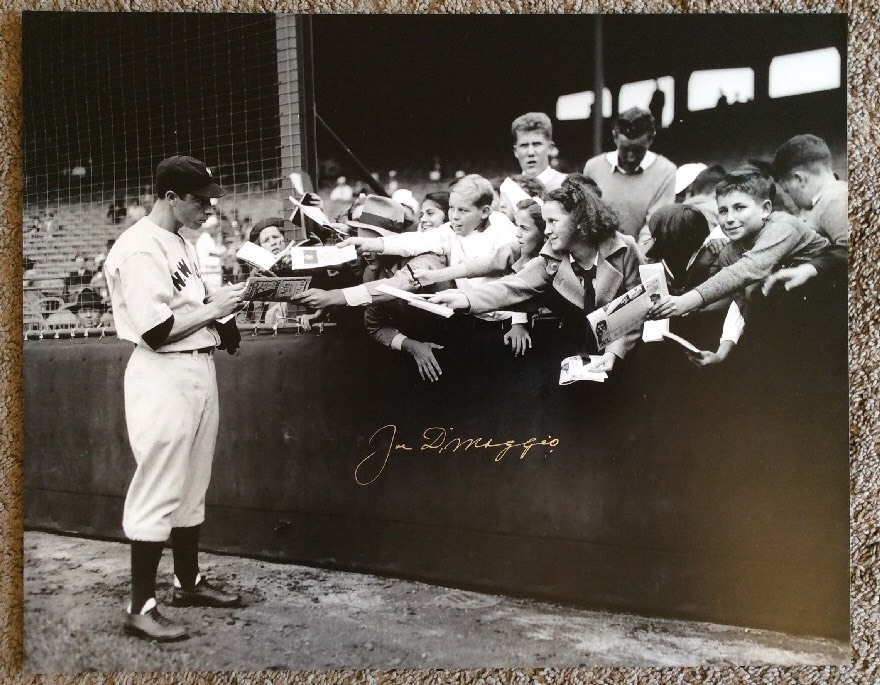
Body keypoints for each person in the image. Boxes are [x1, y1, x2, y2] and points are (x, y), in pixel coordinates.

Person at [103, 155, 246, 642]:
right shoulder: (141, 248)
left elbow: (189, 308)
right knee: (159, 484)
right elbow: (156, 331)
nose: (209, 206)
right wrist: (215, 309)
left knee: (193, 483)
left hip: (196, 367)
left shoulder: (180, 241)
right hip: (162, 373)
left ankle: (188, 582)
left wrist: (222, 323)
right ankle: (140, 606)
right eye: (199, 199)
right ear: (170, 197)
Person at [430, 175, 644, 373]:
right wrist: (465, 298)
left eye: (553, 221)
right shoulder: (551, 258)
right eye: (545, 221)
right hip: (574, 356)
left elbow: (636, 308)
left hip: (623, 356)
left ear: (580, 222)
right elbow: (511, 286)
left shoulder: (625, 249)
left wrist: (614, 353)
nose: (547, 230)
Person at [647, 167, 830, 366]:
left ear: (765, 209)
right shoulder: (730, 252)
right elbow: (741, 302)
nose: (729, 218)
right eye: (723, 211)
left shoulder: (783, 226)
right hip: (798, 320)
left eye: (739, 207)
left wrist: (685, 301)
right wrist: (721, 352)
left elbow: (748, 269)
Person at [413, 197, 548, 356]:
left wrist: (518, 322)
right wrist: (434, 276)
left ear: (544, 233)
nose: (517, 233)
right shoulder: (519, 248)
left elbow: (513, 287)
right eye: (517, 226)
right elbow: (481, 265)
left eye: (524, 228)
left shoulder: (546, 261)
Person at [763, 134, 848, 294]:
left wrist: (810, 268)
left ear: (799, 179)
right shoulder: (818, 201)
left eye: (787, 191)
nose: (791, 199)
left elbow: (852, 248)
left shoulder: (836, 199)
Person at [582, 107, 677, 244]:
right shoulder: (593, 168)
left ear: (650, 139)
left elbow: (655, 226)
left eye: (638, 150)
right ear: (615, 136)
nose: (631, 157)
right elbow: (587, 217)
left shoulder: (666, 171)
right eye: (625, 149)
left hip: (641, 255)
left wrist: (636, 258)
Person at [510, 112, 567, 192]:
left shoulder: (567, 186)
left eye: (536, 144)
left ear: (550, 148)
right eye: (524, 145)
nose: (530, 153)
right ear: (516, 151)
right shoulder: (507, 190)